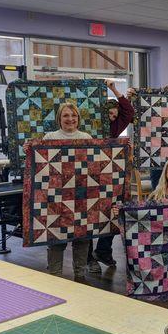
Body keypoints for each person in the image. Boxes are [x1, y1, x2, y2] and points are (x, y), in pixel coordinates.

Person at [87, 80, 136, 272]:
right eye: (109, 112)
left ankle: (103, 251)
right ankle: (88, 256)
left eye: (115, 112)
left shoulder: (116, 126)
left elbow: (128, 112)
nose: (113, 116)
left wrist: (114, 89)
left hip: (110, 172)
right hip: (89, 172)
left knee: (111, 211)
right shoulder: (91, 126)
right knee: (88, 214)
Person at [42, 103, 92, 281]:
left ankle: (81, 276)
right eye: (66, 115)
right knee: (56, 237)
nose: (70, 119)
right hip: (57, 196)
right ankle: (56, 278)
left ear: (78, 118)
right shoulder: (50, 137)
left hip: (80, 195)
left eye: (74, 115)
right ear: (59, 118)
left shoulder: (86, 137)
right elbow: (42, 166)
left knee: (82, 237)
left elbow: (94, 167)